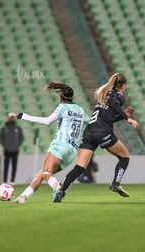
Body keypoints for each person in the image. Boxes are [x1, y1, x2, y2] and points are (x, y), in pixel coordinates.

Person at [53, 73, 138, 202]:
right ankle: (115, 183)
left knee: (80, 167)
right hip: (103, 132)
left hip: (89, 132)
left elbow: (108, 118)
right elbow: (115, 105)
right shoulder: (119, 95)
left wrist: (122, 115)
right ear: (123, 85)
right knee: (124, 157)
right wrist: (128, 118)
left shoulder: (104, 95)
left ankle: (62, 192)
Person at [12, 82, 90, 203]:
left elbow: (48, 121)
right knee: (42, 174)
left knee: (46, 172)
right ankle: (22, 197)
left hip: (60, 145)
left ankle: (58, 188)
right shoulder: (80, 110)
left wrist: (25, 116)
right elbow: (91, 123)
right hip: (72, 151)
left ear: (61, 97)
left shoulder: (63, 107)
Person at [0, 112, 24, 184]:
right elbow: (1, 138)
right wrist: (4, 146)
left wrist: (17, 145)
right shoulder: (4, 129)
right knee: (6, 166)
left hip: (15, 150)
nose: (12, 118)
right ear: (8, 118)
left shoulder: (18, 128)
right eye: (10, 117)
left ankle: (12, 181)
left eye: (13, 117)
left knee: (14, 166)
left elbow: (21, 138)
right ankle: (4, 181)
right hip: (6, 150)